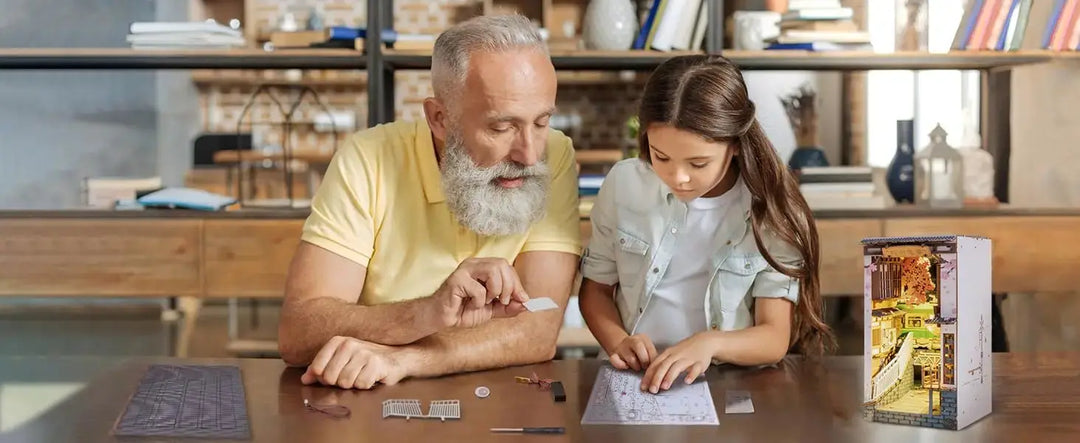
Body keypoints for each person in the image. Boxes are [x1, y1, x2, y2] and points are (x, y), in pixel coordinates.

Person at [277, 14, 582, 390]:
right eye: (501, 128)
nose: (530, 154)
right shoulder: (368, 158)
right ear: (439, 118)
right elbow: (298, 331)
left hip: (505, 397)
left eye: (541, 122)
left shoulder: (556, 154)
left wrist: (408, 358)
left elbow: (539, 328)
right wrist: (427, 313)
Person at [578, 54, 836, 395]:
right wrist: (617, 341)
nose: (678, 177)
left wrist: (709, 344)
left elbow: (774, 336)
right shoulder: (624, 184)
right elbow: (594, 290)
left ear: (734, 146)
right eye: (661, 157)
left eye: (698, 163)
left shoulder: (770, 211)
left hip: (728, 383)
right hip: (636, 380)